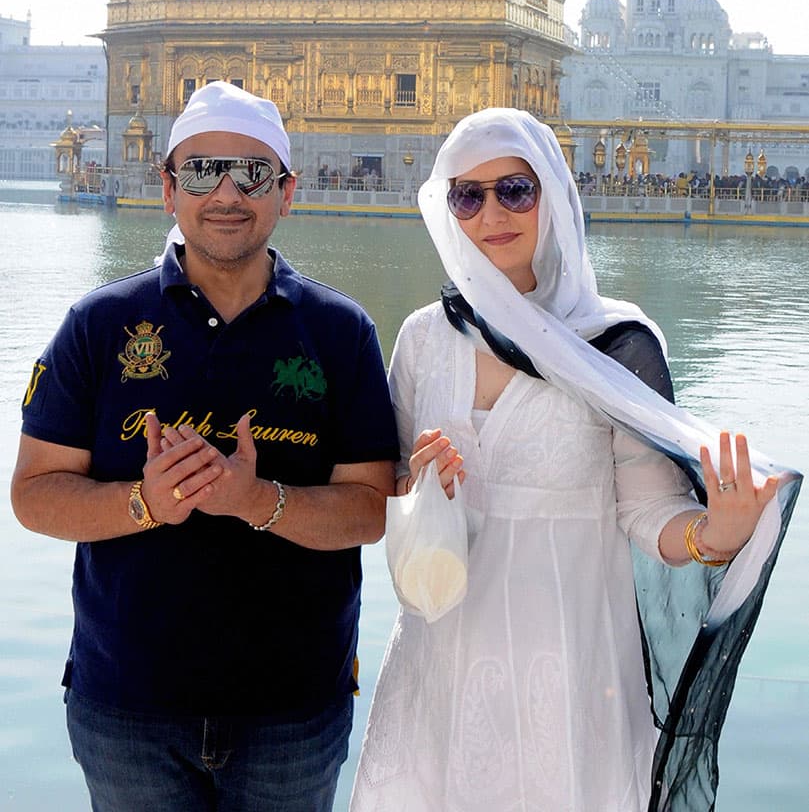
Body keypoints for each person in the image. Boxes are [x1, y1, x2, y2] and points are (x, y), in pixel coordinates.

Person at [351, 108, 801, 812]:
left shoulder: (611, 341)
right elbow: (391, 488)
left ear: (553, 195)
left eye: (514, 190)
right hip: (439, 648)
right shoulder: (422, 337)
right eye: (467, 195)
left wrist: (717, 535)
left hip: (565, 658)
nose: (490, 213)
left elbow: (646, 509)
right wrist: (419, 480)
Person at [12, 81, 399, 812]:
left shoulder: (340, 332)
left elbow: (369, 511)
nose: (226, 193)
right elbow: (33, 495)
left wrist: (255, 500)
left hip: (292, 706)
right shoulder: (100, 325)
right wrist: (146, 501)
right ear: (167, 189)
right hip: (127, 702)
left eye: (252, 173)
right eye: (201, 171)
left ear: (287, 192)